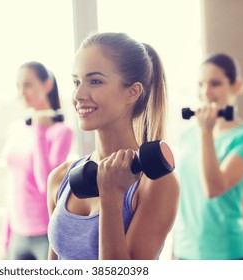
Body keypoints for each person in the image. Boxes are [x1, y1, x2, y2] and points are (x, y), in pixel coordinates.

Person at [47, 32, 180, 260]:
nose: (78, 95)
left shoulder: (156, 185)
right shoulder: (61, 178)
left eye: (95, 81)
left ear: (132, 92)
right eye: (76, 82)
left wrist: (111, 195)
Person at [173, 53, 243, 260]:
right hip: (184, 252)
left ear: (236, 86)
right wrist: (173, 251)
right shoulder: (187, 136)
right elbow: (183, 198)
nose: (206, 92)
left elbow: (214, 188)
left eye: (215, 84)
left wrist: (206, 132)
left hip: (229, 252)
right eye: (200, 84)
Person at [0, 61, 73, 260]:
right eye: (18, 86)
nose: (22, 92)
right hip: (17, 233)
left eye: (28, 84)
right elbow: (13, 186)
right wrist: (5, 240)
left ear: (47, 85)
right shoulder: (16, 129)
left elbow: (45, 184)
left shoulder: (62, 132)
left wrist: (40, 131)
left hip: (45, 234)